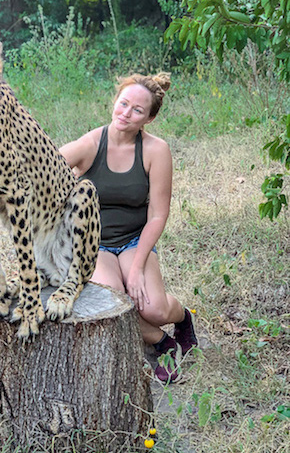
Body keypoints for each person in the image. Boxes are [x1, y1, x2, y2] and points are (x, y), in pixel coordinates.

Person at [59, 73, 198, 383]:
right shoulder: (91, 143)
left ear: (148, 118)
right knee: (116, 306)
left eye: (137, 110)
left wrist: (136, 267)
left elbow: (158, 216)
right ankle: (162, 343)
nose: (126, 113)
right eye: (123, 104)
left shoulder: (155, 150)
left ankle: (182, 318)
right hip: (95, 243)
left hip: (136, 239)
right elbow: (47, 168)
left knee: (155, 309)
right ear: (115, 102)